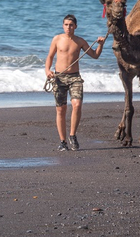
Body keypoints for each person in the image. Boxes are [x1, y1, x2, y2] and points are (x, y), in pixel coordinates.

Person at [45, 14, 106, 151]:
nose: (68, 27)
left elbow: (95, 55)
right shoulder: (57, 39)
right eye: (66, 25)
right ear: (63, 26)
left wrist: (101, 45)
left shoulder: (80, 41)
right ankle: (63, 141)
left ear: (75, 27)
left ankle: (72, 135)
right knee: (61, 110)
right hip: (59, 78)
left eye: (71, 25)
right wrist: (47, 71)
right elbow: (49, 57)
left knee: (77, 104)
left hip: (75, 78)